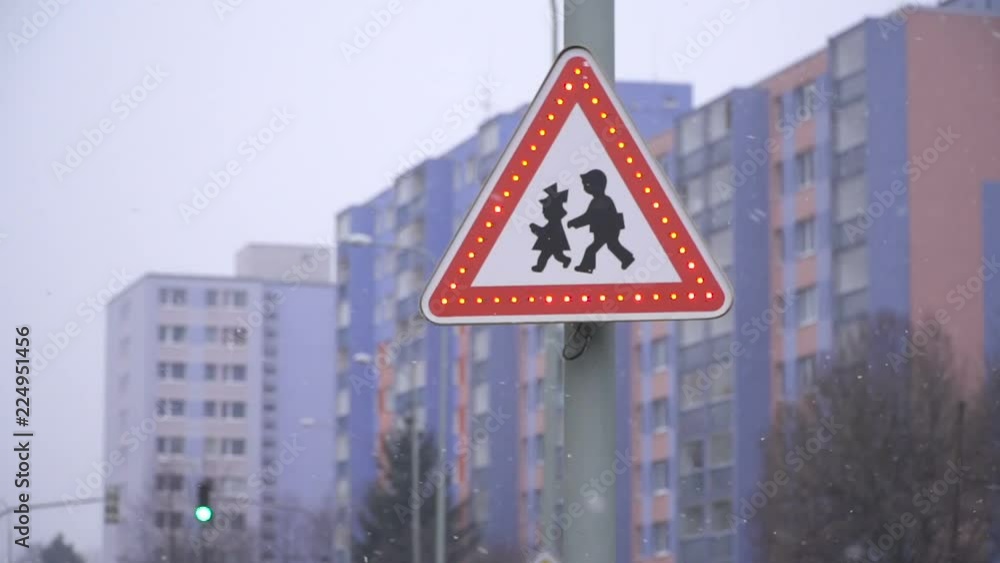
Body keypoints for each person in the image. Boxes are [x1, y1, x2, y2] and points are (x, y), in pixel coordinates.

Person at [567, 169, 635, 273]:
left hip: (608, 230)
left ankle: (587, 267)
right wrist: (575, 222)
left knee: (594, 248)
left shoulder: (601, 201)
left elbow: (589, 217)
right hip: (605, 230)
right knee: (611, 246)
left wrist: (574, 222)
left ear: (598, 185)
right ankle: (627, 258)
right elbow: (589, 216)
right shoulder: (598, 200)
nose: (585, 188)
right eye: (584, 185)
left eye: (588, 184)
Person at [529, 184, 572, 272]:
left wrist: (535, 228)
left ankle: (540, 267)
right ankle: (565, 260)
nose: (543, 213)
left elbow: (544, 232)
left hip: (553, 243)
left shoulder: (554, 223)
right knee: (556, 256)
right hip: (553, 243)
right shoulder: (554, 222)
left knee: (547, 256)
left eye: (545, 211)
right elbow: (545, 232)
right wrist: (536, 229)